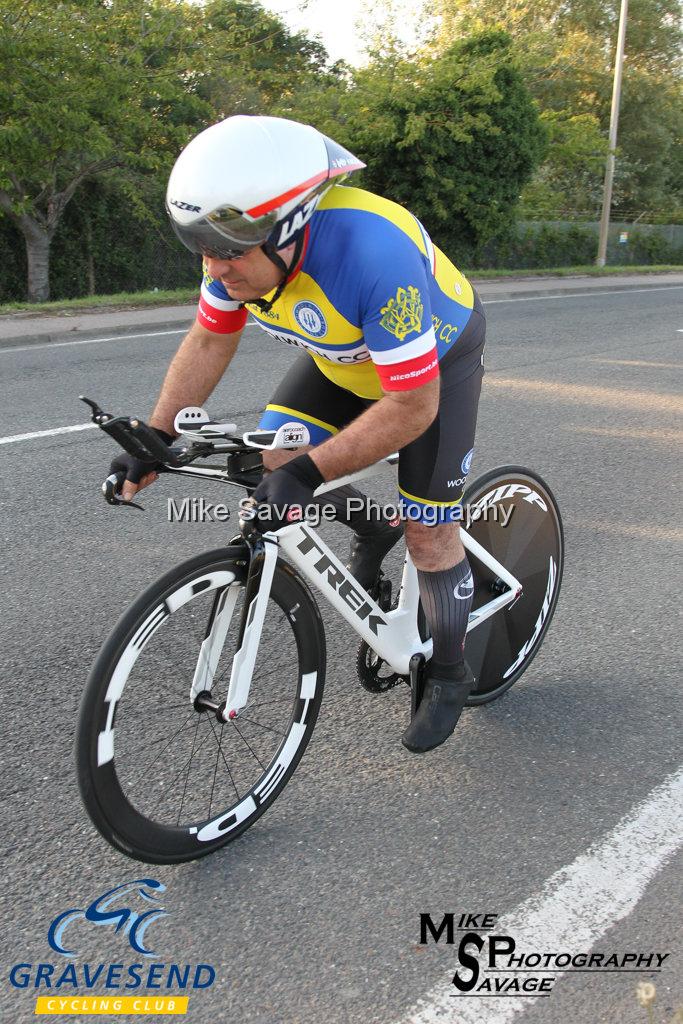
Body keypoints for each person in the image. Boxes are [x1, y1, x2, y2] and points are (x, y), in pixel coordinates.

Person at [113, 115, 486, 754]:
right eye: (202, 249)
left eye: (226, 253)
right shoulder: (232, 253)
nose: (214, 268)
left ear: (288, 230)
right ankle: (372, 524)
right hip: (341, 361)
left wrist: (312, 472)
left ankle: (449, 671)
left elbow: (410, 407)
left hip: (431, 372)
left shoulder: (373, 255)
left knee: (428, 531)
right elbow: (208, 337)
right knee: (268, 461)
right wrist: (156, 435)